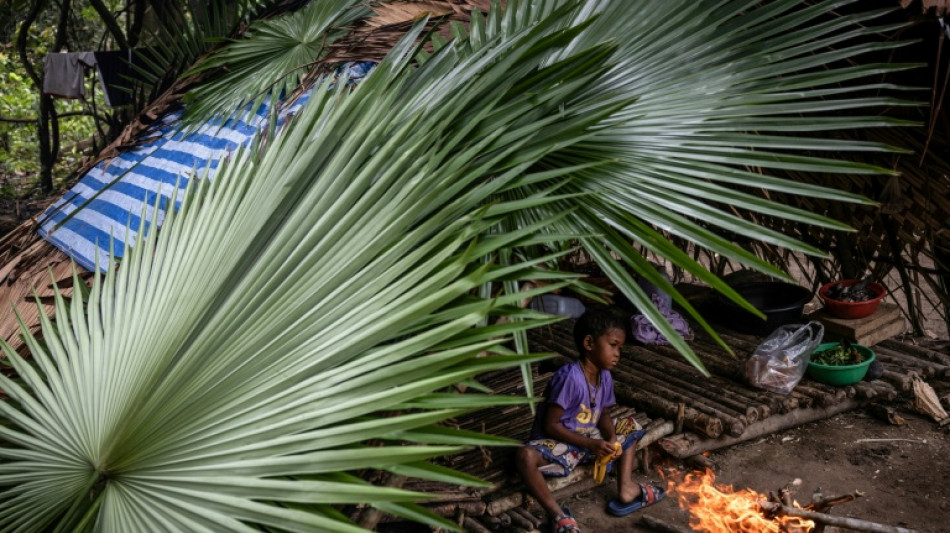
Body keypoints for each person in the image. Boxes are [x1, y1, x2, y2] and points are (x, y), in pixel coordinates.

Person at [515, 307, 666, 532]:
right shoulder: (569, 378)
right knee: (524, 456)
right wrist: (590, 444)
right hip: (561, 445)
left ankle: (626, 489)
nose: (617, 354)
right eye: (613, 345)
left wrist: (612, 440)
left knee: (630, 425)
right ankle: (557, 515)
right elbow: (550, 425)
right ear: (589, 343)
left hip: (589, 443)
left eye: (620, 348)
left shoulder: (604, 376)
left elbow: (603, 413)